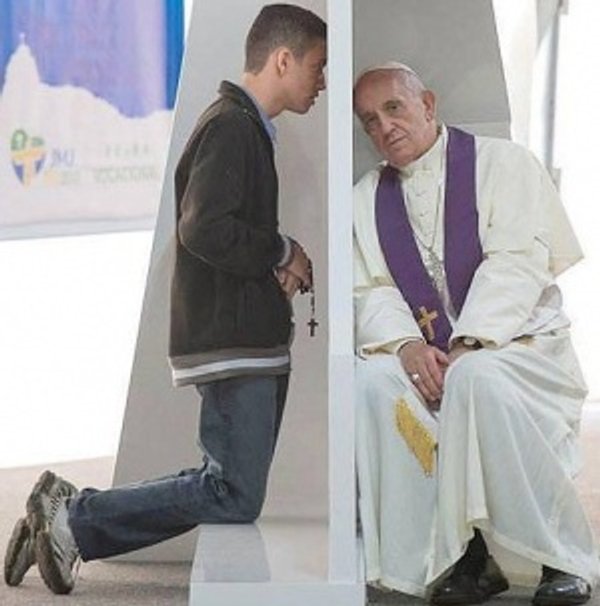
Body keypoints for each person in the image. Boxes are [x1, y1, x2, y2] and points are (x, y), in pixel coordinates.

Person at [3, 4, 326, 595]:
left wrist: (273, 260)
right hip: (233, 339)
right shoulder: (231, 126)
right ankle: (70, 517)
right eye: (317, 66)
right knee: (232, 491)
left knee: (225, 484)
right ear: (283, 60)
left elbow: (220, 228)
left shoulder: (243, 125)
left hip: (244, 335)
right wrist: (282, 251)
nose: (322, 81)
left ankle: (65, 518)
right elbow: (203, 228)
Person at [352, 62, 598, 605]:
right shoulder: (367, 197)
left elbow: (516, 262)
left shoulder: (503, 165)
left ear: (428, 105)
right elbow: (371, 287)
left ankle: (559, 558)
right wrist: (408, 345)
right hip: (433, 354)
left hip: (518, 345)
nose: (384, 127)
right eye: (369, 120)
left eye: (394, 108)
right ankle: (463, 559)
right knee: (370, 382)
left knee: (477, 378)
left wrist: (468, 342)